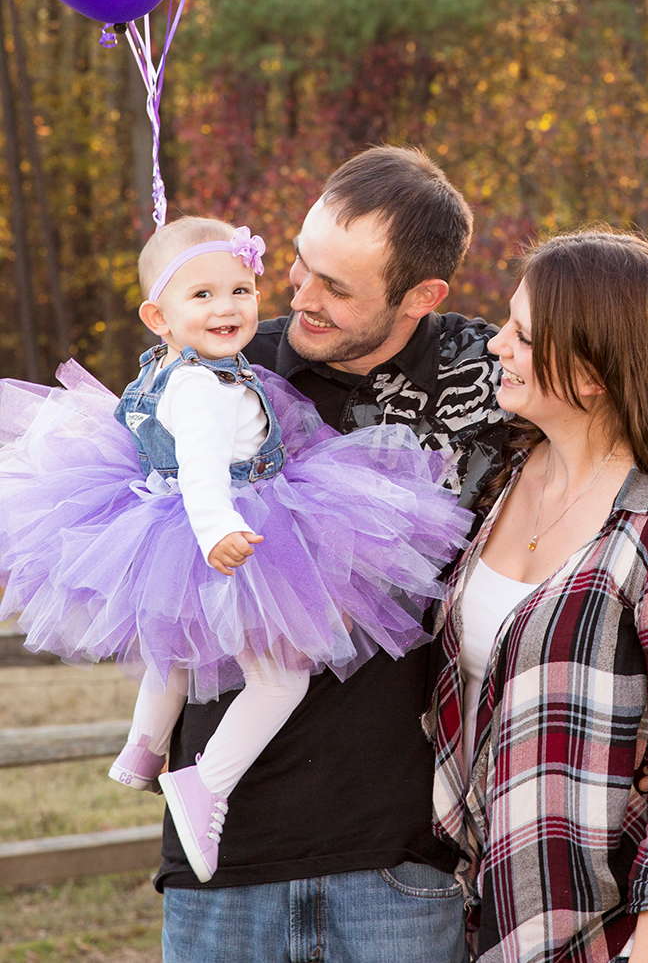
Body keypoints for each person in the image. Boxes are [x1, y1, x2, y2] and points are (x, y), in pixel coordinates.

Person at [0, 215, 471, 887]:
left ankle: (141, 748)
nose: (227, 307)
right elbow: (197, 466)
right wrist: (219, 527)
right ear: (157, 316)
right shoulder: (198, 387)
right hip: (230, 524)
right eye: (202, 296)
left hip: (177, 522)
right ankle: (207, 785)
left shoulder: (176, 368)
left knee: (181, 646)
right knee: (282, 676)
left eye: (241, 290)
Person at [156, 148, 509, 963]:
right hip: (225, 861)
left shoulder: (495, 380)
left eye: (338, 289)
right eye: (300, 266)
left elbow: (629, 424)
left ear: (423, 297)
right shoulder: (222, 371)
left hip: (402, 858)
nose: (300, 299)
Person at [424, 229, 648, 963]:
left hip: (631, 936)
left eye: (523, 336)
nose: (496, 345)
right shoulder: (498, 480)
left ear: (591, 373)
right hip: (501, 924)